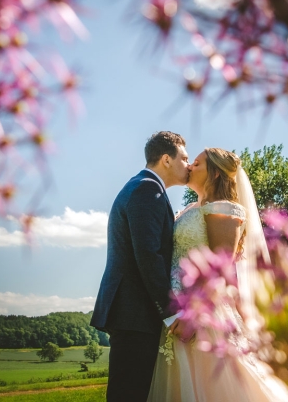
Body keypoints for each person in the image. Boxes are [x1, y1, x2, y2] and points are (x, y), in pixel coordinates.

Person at [147, 148, 288, 401]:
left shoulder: (224, 209)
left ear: (215, 174)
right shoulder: (193, 208)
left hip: (202, 315)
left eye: (197, 163)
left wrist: (193, 314)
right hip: (178, 310)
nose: (190, 167)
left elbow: (222, 268)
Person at [91, 131, 191, 402]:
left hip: (133, 312)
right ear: (166, 160)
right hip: (133, 312)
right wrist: (172, 313)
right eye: (184, 158)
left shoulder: (146, 187)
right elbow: (147, 254)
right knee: (129, 394)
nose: (189, 165)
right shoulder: (147, 189)